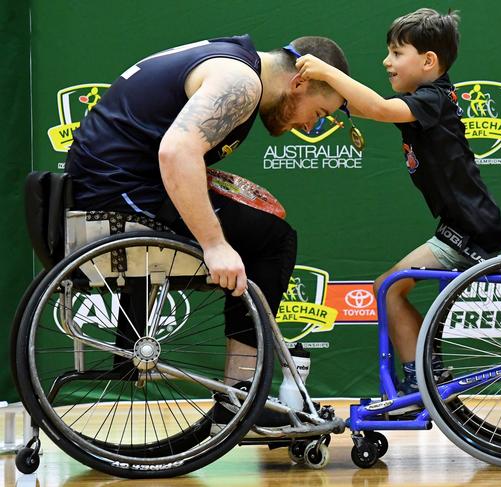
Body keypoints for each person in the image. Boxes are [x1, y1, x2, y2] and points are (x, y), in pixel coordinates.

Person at [65, 34, 349, 385]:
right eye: (319, 114)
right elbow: (177, 153)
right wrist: (215, 245)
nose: (310, 127)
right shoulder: (241, 81)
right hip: (115, 193)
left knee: (263, 230)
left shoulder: (233, 59)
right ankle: (241, 393)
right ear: (299, 81)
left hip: (113, 182)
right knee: (272, 242)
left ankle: (239, 396)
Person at [296, 9, 501, 395]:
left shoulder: (433, 99)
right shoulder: (423, 102)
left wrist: (327, 72)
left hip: (469, 232)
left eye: (396, 53)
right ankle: (423, 377)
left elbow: (377, 108)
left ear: (428, 61)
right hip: (459, 228)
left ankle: (420, 381)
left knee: (388, 288)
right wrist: (330, 95)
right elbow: (363, 107)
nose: (386, 61)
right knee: (387, 288)